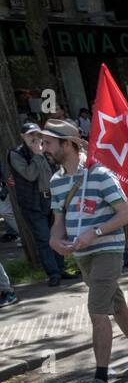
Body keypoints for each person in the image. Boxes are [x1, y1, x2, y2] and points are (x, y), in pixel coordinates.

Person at [42, 120, 128, 383]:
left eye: (49, 143)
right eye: (42, 142)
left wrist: (96, 231)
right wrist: (54, 239)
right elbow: (59, 221)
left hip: (108, 250)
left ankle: (100, 377)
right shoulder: (56, 181)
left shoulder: (100, 175)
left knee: (97, 310)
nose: (43, 148)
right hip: (83, 254)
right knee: (116, 305)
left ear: (67, 144)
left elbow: (125, 214)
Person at [9, 122, 66, 286]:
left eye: (37, 134)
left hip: (52, 198)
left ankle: (61, 269)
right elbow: (29, 175)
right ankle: (53, 273)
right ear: (23, 137)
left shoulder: (46, 148)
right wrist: (36, 154)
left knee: (58, 234)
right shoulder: (16, 153)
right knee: (43, 238)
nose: (34, 138)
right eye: (30, 135)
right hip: (33, 202)